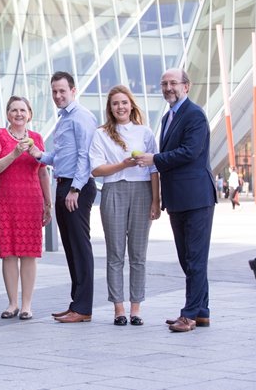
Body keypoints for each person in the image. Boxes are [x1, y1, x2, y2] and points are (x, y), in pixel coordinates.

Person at [135, 68, 217, 332]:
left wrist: (154, 160)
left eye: (173, 83)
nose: (168, 87)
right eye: (164, 84)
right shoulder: (169, 116)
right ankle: (201, 311)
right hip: (179, 199)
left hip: (196, 197)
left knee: (195, 258)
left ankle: (189, 314)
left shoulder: (194, 115)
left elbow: (190, 152)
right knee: (187, 258)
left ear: (186, 86)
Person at [88, 85, 161, 326]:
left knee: (138, 254)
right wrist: (123, 164)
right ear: (110, 108)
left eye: (124, 102)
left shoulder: (145, 132)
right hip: (114, 190)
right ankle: (119, 308)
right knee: (115, 253)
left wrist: (156, 200)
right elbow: (96, 169)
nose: (120, 107)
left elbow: (153, 169)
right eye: (115, 103)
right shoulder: (101, 134)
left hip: (141, 192)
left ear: (131, 105)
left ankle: (136, 308)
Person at [29, 71, 98, 323]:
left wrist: (75, 189)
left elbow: (85, 156)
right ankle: (76, 304)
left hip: (75, 188)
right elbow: (61, 157)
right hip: (64, 184)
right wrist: (39, 154)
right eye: (54, 92)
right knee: (70, 248)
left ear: (73, 90)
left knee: (80, 247)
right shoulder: (64, 119)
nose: (58, 95)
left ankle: (84, 308)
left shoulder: (81, 117)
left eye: (62, 91)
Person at [0, 96, 52, 320]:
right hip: (5, 200)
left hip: (31, 200)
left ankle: (26, 305)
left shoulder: (37, 138)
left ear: (29, 114)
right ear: (7, 114)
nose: (18, 114)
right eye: (13, 110)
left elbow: (43, 171)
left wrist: (48, 203)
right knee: (9, 253)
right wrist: (14, 153)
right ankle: (12, 303)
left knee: (29, 253)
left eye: (22, 110)